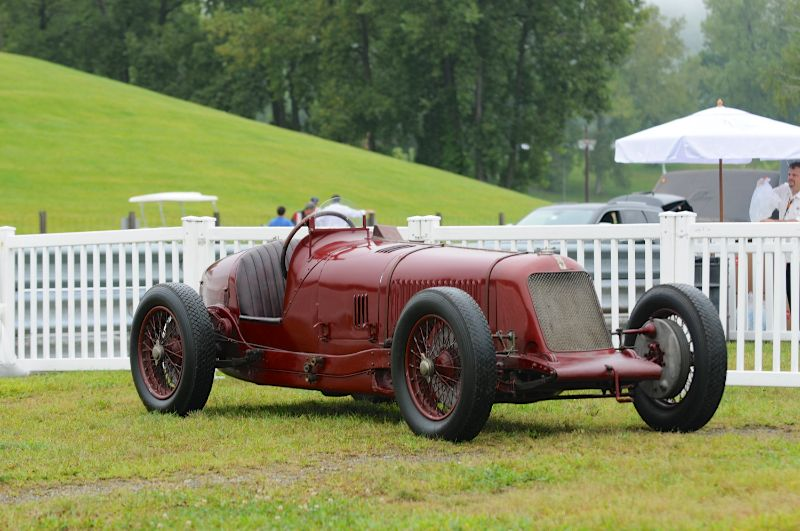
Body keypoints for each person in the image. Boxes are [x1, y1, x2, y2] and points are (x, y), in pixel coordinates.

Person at [751, 162, 800, 308]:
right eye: (789, 174)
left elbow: (796, 222)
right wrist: (761, 186)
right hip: (785, 256)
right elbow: (767, 199)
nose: (790, 177)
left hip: (797, 255)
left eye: (795, 175)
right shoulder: (785, 190)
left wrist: (773, 222)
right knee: (790, 297)